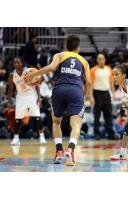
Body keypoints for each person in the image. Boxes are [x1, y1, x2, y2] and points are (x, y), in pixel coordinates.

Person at [24, 35, 91, 165]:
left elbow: (50, 68)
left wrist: (34, 74)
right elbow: (88, 82)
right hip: (76, 91)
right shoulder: (84, 61)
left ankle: (59, 151)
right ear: (78, 48)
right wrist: (85, 96)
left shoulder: (60, 55)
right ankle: (70, 149)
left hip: (59, 90)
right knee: (76, 125)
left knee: (56, 122)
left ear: (66, 46)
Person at [8, 57, 46, 145]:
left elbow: (37, 85)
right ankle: (16, 138)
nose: (16, 64)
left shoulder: (29, 71)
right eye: (15, 63)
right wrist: (9, 100)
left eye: (18, 62)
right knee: (18, 119)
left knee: (37, 117)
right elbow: (10, 89)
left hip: (32, 96)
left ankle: (42, 136)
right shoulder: (11, 75)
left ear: (22, 63)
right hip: (21, 97)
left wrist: (39, 98)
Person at [90, 54, 120, 140]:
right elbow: (91, 84)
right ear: (97, 60)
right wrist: (91, 97)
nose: (101, 61)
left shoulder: (109, 69)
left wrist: (113, 94)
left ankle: (110, 133)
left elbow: (111, 82)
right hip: (97, 93)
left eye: (102, 59)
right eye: (99, 60)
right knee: (97, 115)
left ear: (105, 60)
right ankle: (97, 134)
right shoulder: (93, 70)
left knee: (109, 115)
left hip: (107, 93)